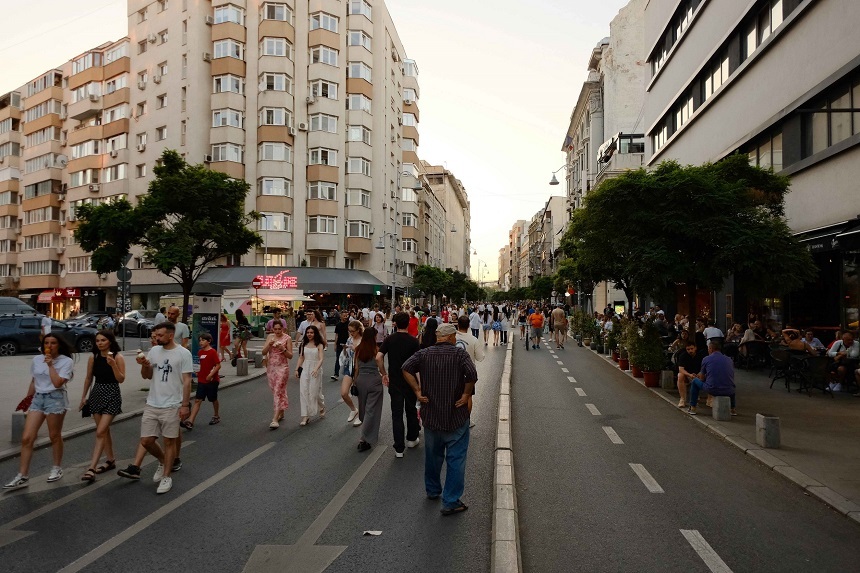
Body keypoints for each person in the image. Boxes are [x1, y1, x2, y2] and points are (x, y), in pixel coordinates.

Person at [402, 323, 478, 516]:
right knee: (456, 459)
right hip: (456, 415)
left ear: (438, 337)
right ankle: (451, 501)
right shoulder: (460, 354)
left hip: (432, 415)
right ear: (452, 337)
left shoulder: (424, 353)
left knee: (433, 457)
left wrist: (417, 391)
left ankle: (433, 490)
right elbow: (472, 375)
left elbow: (406, 368)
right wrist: (466, 394)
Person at [119, 322, 193, 494]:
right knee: (146, 441)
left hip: (172, 404)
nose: (156, 338)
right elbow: (147, 376)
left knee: (169, 442)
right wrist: (145, 365)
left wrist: (184, 405)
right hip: (152, 402)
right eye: (156, 335)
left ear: (170, 335)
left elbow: (187, 380)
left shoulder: (183, 353)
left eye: (160, 335)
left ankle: (167, 476)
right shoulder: (153, 351)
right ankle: (162, 460)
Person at [4, 334, 75, 490]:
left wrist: (51, 365)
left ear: (59, 345)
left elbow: (57, 383)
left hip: (55, 398)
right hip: (38, 398)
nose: (49, 345)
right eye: (46, 343)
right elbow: (34, 380)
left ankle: (56, 468)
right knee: (27, 438)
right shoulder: (36, 359)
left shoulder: (66, 361)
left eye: (53, 343)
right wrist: (27, 400)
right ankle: (22, 475)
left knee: (54, 435)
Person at [79, 330, 125, 482]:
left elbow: (121, 379)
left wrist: (113, 365)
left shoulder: (118, 357)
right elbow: (88, 378)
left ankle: (91, 468)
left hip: (112, 394)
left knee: (100, 432)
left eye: (103, 340)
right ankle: (110, 460)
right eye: (97, 340)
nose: (99, 343)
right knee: (104, 431)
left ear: (110, 341)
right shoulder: (94, 357)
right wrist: (83, 397)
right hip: (97, 394)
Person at [378, 312, 422, 457]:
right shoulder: (414, 341)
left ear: (395, 323)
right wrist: (419, 384)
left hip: (395, 381)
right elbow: (418, 365)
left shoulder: (389, 339)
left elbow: (379, 357)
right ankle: (411, 438)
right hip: (410, 381)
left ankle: (398, 448)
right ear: (408, 323)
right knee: (411, 410)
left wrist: (384, 373)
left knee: (396, 413)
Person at [353, 327, 385, 452]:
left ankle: (365, 434)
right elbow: (380, 365)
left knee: (363, 407)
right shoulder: (376, 349)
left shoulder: (358, 349)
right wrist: (384, 374)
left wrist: (355, 382)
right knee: (372, 410)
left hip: (361, 380)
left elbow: (356, 368)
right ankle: (364, 438)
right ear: (373, 337)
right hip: (374, 381)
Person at [181, 332, 222, 429]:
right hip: (201, 380)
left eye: (203, 340)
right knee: (198, 400)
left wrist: (211, 374)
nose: (200, 342)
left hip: (212, 380)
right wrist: (198, 371)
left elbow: (218, 365)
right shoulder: (200, 352)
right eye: (200, 340)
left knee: (213, 399)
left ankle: (216, 415)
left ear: (209, 341)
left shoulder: (212, 352)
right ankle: (190, 421)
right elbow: (201, 365)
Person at [689, 340, 736, 416]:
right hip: (730, 390)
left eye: (708, 348)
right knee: (730, 384)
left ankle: (692, 407)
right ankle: (733, 409)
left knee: (695, 382)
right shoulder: (729, 359)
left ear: (711, 348)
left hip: (713, 389)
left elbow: (702, 378)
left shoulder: (706, 359)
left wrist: (699, 377)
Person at [262, 321, 293, 428]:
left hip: (282, 368)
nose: (277, 331)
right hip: (271, 368)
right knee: (276, 390)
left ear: (283, 329)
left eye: (279, 329)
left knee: (277, 391)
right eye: (275, 329)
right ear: (272, 329)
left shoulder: (287, 338)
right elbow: (263, 352)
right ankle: (281, 411)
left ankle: (275, 419)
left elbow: (290, 356)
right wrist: (269, 345)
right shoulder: (270, 337)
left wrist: (283, 349)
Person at [295, 325, 325, 426]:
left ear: (315, 333)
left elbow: (321, 358)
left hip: (315, 369)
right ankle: (305, 416)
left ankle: (321, 406)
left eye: (311, 333)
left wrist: (316, 368)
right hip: (305, 368)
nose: (309, 334)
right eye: (308, 332)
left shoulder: (319, 344)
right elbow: (301, 357)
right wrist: (296, 369)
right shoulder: (304, 343)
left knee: (314, 392)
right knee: (304, 391)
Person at [340, 320, 364, 425]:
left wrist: (356, 350)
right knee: (344, 393)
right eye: (349, 331)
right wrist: (345, 349)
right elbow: (345, 355)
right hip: (349, 367)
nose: (351, 333)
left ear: (359, 330)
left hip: (361, 368)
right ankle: (354, 409)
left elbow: (366, 356)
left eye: (353, 331)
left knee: (360, 394)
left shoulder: (364, 340)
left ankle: (361, 416)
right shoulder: (349, 339)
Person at [676, 342, 702, 409]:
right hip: (687, 375)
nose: (690, 351)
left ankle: (710, 399)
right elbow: (681, 369)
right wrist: (689, 375)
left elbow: (704, 368)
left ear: (695, 348)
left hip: (699, 374)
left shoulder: (700, 356)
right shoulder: (683, 356)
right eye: (688, 349)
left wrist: (700, 373)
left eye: (691, 349)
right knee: (680, 376)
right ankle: (682, 399)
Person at [332, 310, 350, 380]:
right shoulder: (338, 325)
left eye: (346, 316)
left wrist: (350, 343)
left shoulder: (349, 324)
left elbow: (350, 334)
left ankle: (348, 373)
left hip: (347, 344)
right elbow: (336, 335)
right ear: (340, 316)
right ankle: (336, 374)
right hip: (340, 343)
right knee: (338, 359)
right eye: (344, 315)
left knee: (348, 359)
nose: (345, 317)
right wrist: (335, 344)